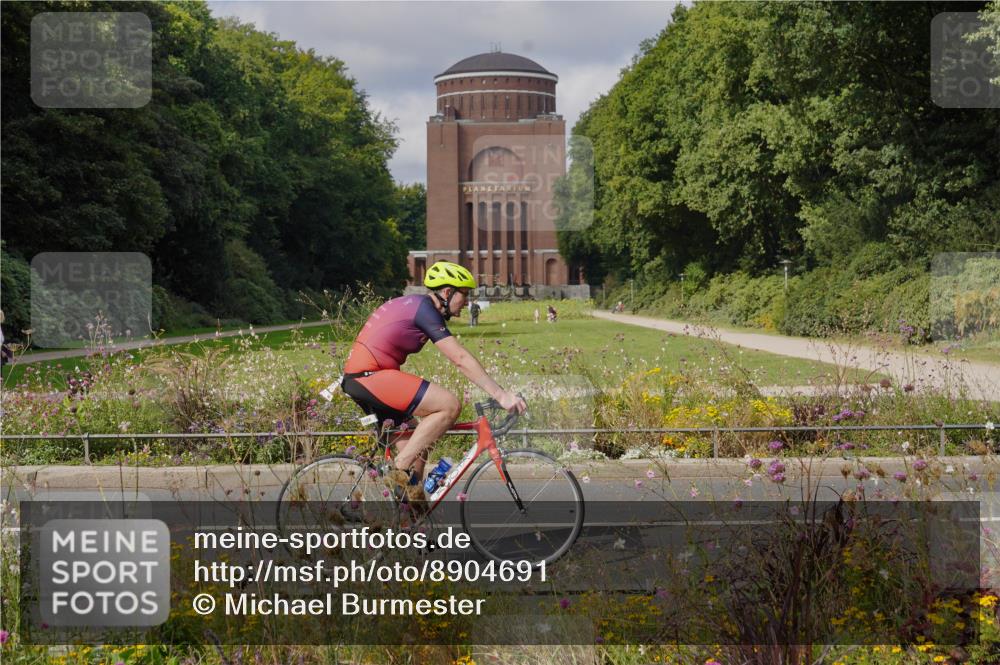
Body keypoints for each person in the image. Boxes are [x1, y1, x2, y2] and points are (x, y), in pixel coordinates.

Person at [341, 261, 526, 508]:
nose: (467, 302)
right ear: (448, 292)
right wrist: (501, 395)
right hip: (369, 377)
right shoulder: (425, 310)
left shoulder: (418, 305)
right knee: (449, 405)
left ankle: (412, 525)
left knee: (418, 454)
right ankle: (396, 469)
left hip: (365, 378)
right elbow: (459, 358)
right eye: (465, 295)